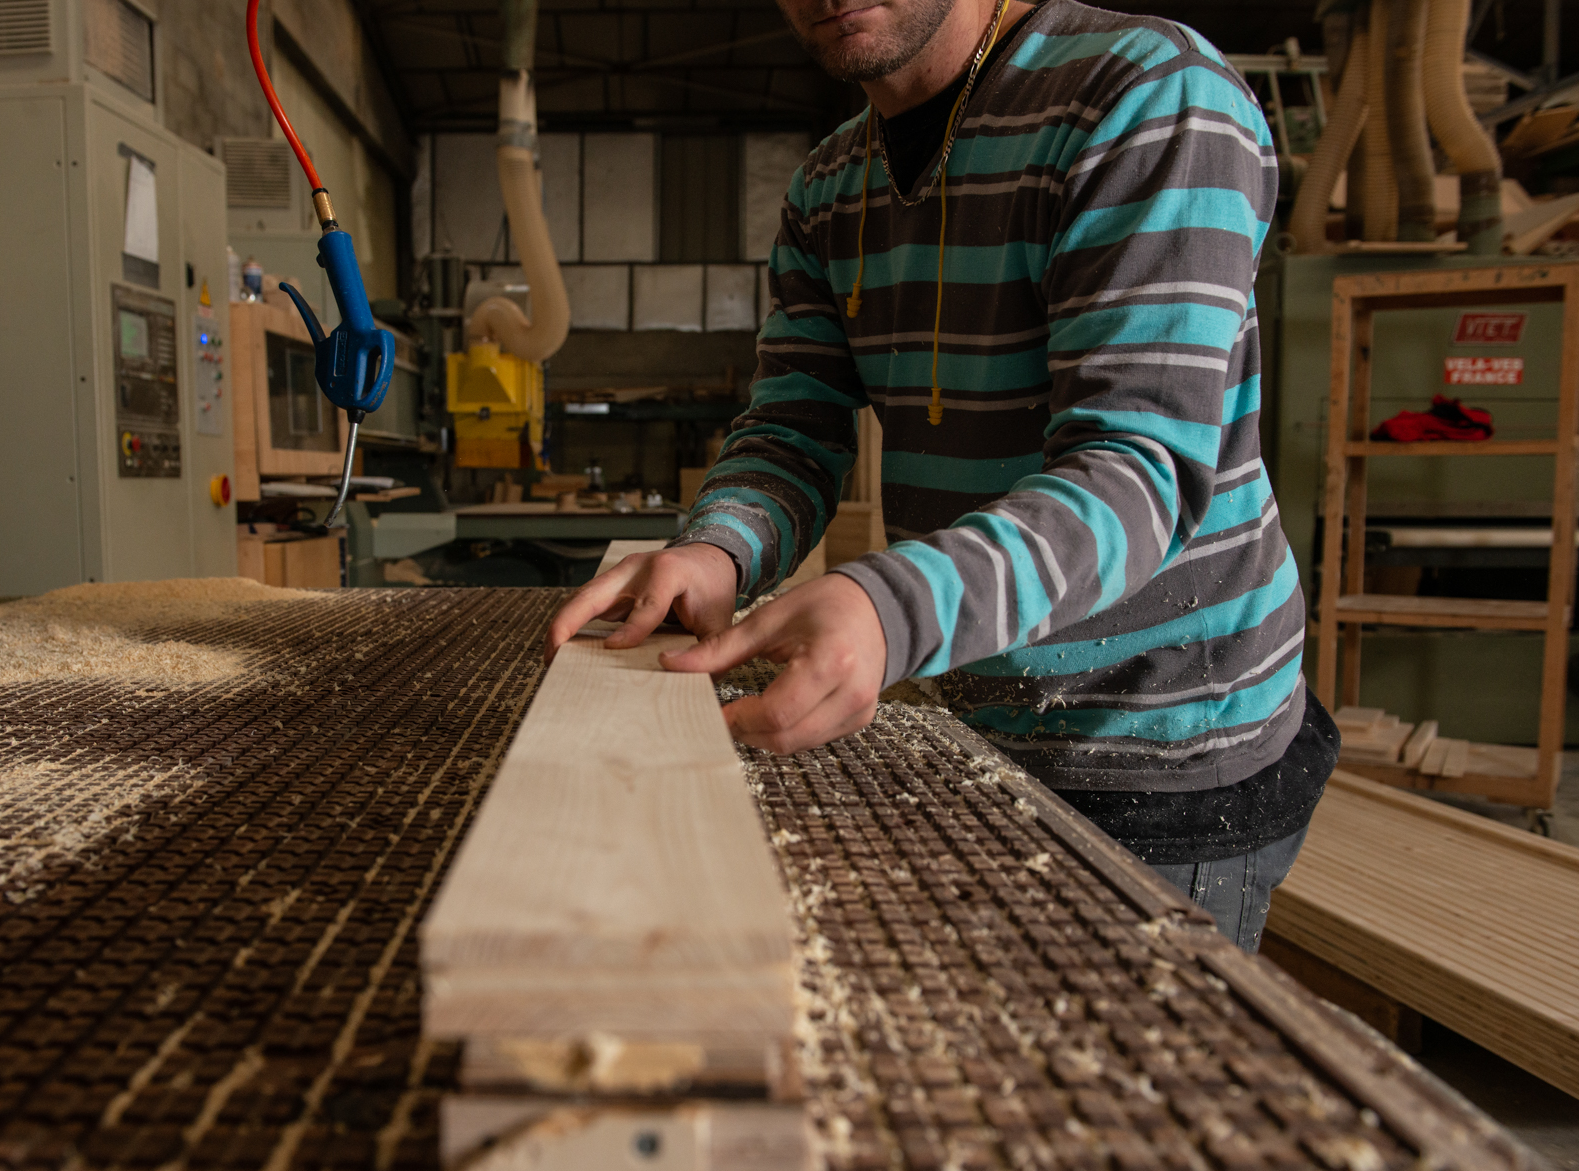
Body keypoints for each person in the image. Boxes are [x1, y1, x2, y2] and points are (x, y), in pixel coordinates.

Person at [547, 0, 1338, 953]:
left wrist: (888, 612)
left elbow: (1139, 471)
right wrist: (720, 547)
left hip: (1161, 738)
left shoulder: (1148, 94)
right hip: (975, 697)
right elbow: (796, 428)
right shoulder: (831, 185)